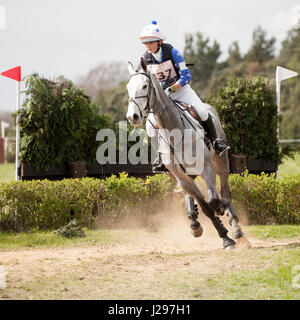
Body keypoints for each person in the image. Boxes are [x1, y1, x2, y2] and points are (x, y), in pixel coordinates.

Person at [139, 20, 230, 172]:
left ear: (159, 42)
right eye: (145, 43)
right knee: (149, 126)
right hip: (162, 98)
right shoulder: (145, 59)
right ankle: (161, 156)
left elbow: (186, 76)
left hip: (181, 91)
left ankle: (216, 141)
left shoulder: (173, 53)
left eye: (151, 42)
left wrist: (171, 90)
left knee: (202, 111)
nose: (148, 46)